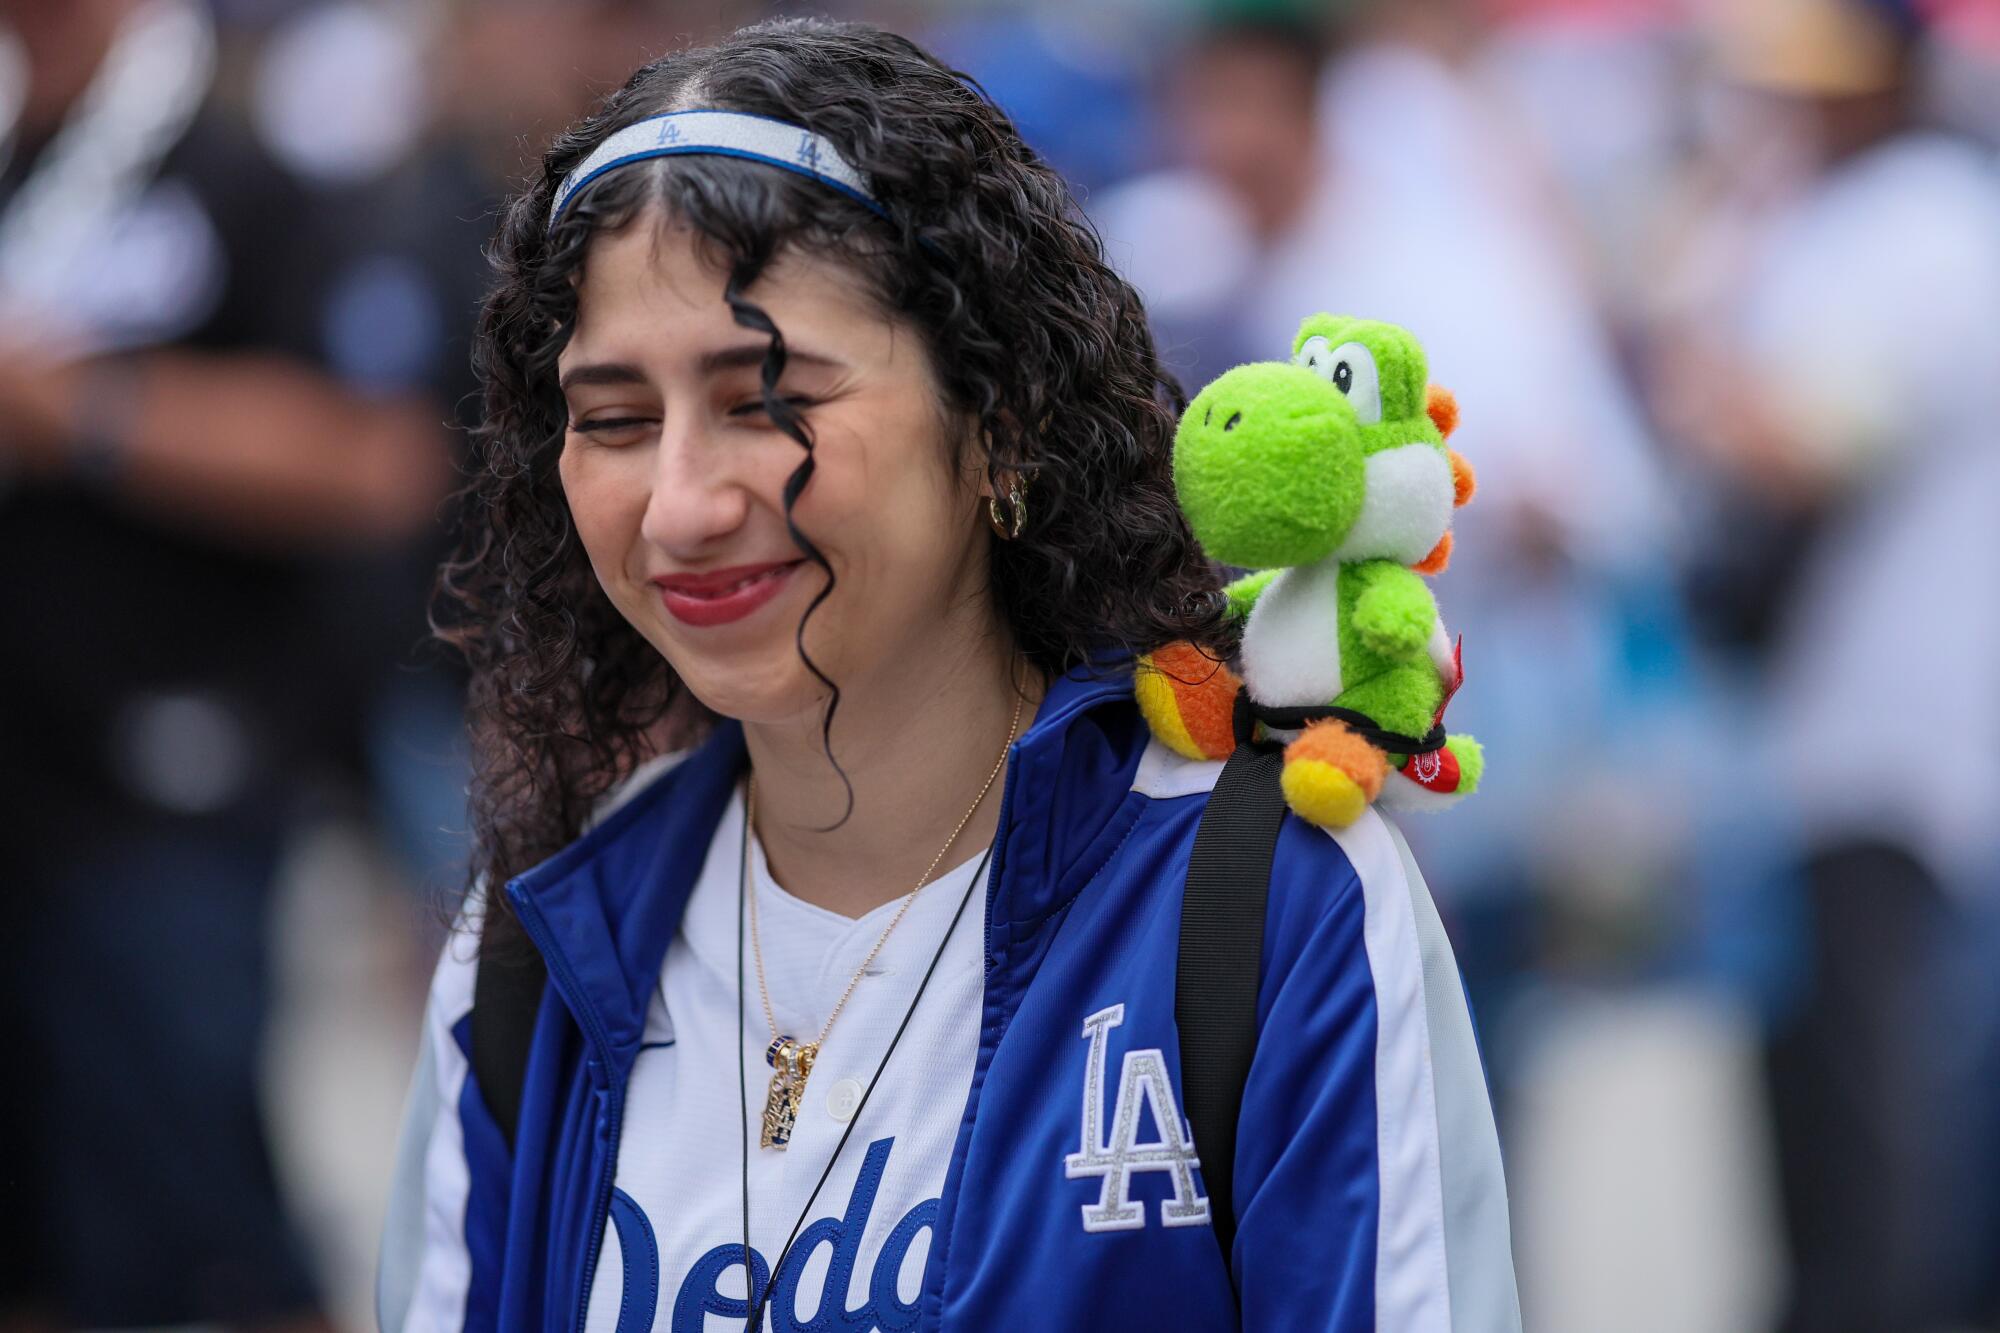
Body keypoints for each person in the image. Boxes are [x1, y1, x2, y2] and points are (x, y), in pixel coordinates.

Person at [378, 18, 1519, 1331]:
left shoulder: (1273, 905)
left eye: (766, 397)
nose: (679, 505)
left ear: (1002, 424)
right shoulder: (529, 957)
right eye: (616, 419)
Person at [0, 0, 452, 1325]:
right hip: (22, 784)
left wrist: (89, 413)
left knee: (199, 1219)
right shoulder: (27, 149)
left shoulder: (250, 148)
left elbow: (380, 455)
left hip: (174, 786)